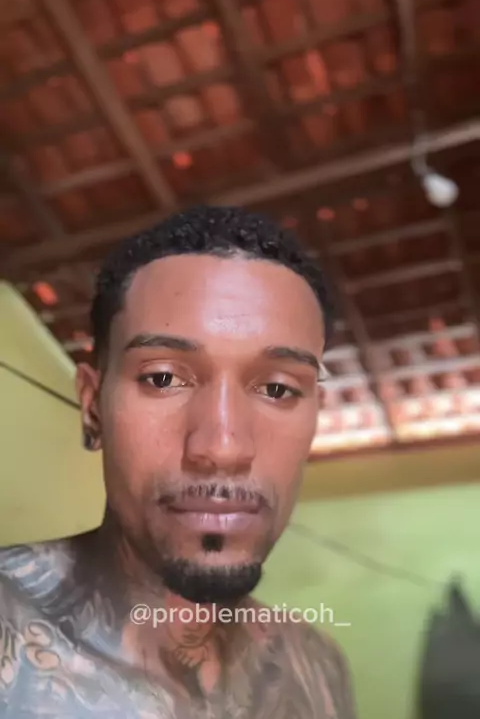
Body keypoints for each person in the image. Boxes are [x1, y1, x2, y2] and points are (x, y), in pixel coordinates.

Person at [0, 206, 357, 718]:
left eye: (278, 388)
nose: (223, 447)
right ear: (93, 406)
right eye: (162, 378)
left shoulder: (317, 667)